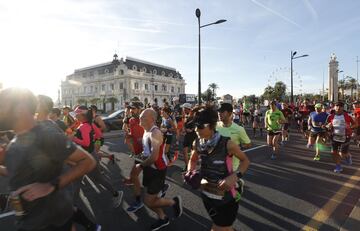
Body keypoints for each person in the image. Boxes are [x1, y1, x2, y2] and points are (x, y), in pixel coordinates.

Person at [0, 88, 96, 231]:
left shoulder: (46, 135)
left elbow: (88, 161)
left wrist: (51, 185)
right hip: (27, 223)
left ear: (20, 109)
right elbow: (16, 173)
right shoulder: (15, 142)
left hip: (51, 223)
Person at [187, 106, 250, 231]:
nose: (196, 130)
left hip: (227, 197)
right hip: (206, 194)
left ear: (211, 125)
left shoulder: (228, 144)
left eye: (199, 126)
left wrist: (234, 177)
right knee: (224, 227)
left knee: (220, 227)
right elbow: (193, 160)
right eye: (195, 126)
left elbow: (245, 161)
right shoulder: (197, 143)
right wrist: (191, 171)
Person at [133, 108, 183, 230]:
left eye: (143, 117)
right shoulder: (146, 131)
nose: (140, 118)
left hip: (157, 170)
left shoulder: (155, 133)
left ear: (152, 119)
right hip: (150, 168)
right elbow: (148, 151)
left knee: (148, 201)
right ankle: (163, 218)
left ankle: (173, 202)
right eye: (140, 116)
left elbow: (154, 157)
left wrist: (141, 165)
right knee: (149, 198)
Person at [70, 105, 123, 207]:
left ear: (82, 115)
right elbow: (97, 135)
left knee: (86, 180)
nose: (75, 116)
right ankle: (73, 205)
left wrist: (73, 139)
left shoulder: (84, 126)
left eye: (77, 114)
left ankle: (73, 206)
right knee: (81, 180)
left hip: (88, 158)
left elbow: (85, 142)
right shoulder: (86, 124)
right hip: (88, 156)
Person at [217, 103, 251, 172]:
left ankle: (236, 180)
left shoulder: (239, 129)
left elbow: (248, 144)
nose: (219, 114)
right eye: (218, 111)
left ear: (230, 113)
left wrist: (237, 148)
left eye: (222, 112)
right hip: (216, 166)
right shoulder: (215, 126)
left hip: (232, 168)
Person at [326, 101, 357, 173]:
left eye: (340, 106)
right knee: (333, 152)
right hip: (334, 137)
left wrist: (350, 127)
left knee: (342, 153)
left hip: (345, 137)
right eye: (337, 106)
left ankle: (348, 156)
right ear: (334, 107)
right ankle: (338, 166)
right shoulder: (330, 116)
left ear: (343, 108)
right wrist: (328, 126)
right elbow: (326, 126)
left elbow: (355, 125)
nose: (338, 107)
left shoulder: (348, 116)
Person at [181, 103, 198, 172]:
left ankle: (191, 167)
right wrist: (184, 129)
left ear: (188, 109)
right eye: (183, 108)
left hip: (193, 136)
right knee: (184, 151)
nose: (183, 110)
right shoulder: (185, 116)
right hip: (187, 136)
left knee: (192, 152)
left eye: (184, 108)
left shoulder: (194, 116)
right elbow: (184, 125)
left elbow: (197, 125)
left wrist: (192, 130)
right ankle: (187, 166)